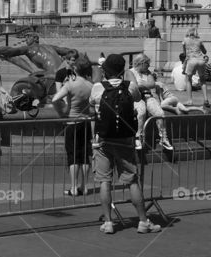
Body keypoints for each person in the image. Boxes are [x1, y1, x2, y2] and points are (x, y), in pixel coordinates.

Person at [90, 53, 161, 235]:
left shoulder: (97, 88)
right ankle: (143, 222)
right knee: (132, 181)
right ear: (122, 70)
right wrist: (127, 73)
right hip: (124, 141)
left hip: (103, 141)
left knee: (104, 181)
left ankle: (108, 222)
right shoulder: (130, 88)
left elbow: (92, 107)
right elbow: (137, 97)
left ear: (105, 70)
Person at [51, 58, 94, 196]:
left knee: (73, 155)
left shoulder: (70, 84)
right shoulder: (90, 85)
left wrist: (63, 112)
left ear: (76, 69)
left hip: (72, 121)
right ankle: (85, 186)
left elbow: (55, 99)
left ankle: (74, 187)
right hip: (86, 122)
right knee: (85, 155)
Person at [125, 53, 174, 151]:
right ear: (142, 63)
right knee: (141, 112)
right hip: (135, 97)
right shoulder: (130, 72)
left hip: (148, 96)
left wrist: (142, 84)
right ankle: (138, 136)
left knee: (160, 113)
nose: (149, 66)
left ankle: (163, 138)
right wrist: (145, 84)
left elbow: (152, 84)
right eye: (147, 63)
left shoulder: (148, 72)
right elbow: (135, 86)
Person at [181, 27, 210, 108]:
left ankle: (190, 100)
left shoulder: (185, 40)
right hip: (201, 60)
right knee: (202, 79)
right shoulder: (199, 40)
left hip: (192, 60)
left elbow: (184, 53)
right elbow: (204, 51)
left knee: (188, 79)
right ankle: (206, 99)